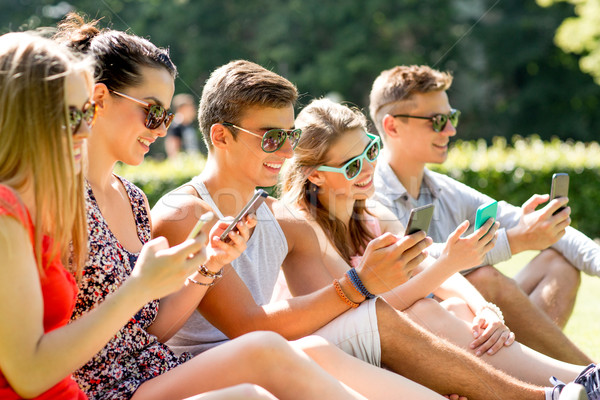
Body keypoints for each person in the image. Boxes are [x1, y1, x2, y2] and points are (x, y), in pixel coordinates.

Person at [152, 59, 595, 400]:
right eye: (272, 139)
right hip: (208, 366)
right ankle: (552, 392)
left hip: (273, 350)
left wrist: (372, 288)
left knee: (406, 310)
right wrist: (362, 284)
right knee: (389, 313)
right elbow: (247, 325)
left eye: (289, 137)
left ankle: (568, 385)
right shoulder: (186, 212)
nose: (285, 151)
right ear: (221, 136)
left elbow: (341, 310)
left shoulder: (282, 218)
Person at [53, 13, 379, 400]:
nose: (161, 130)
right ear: (101, 99)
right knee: (265, 356)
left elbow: (149, 332)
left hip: (152, 372)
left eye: (167, 116)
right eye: (153, 112)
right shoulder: (57, 201)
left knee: (305, 352)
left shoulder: (133, 198)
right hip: (100, 388)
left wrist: (209, 265)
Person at [280, 96, 598, 388]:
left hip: (389, 337)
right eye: (352, 166)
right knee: (426, 310)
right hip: (339, 352)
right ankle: (578, 381)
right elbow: (374, 311)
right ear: (316, 175)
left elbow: (424, 269)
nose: (368, 168)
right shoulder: (308, 228)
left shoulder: (373, 212)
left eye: (371, 150)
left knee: (458, 306)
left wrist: (486, 310)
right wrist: (449, 263)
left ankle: (568, 383)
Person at [0, 31, 210, 400]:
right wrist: (140, 287)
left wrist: (206, 267)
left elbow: (141, 329)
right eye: (72, 115)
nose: (85, 128)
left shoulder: (35, 203)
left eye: (86, 114)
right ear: (24, 114)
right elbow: (31, 373)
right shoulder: (16, 209)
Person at [368, 64, 599, 365]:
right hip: (416, 332)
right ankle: (588, 375)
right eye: (437, 121)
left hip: (475, 325)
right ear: (392, 126)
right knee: (485, 280)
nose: (450, 130)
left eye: (451, 118)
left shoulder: (445, 189)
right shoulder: (368, 193)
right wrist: (514, 242)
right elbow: (415, 261)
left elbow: (530, 222)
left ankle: (535, 374)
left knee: (559, 263)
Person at [165, 93, 207, 158]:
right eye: (190, 108)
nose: (193, 111)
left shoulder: (188, 125)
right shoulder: (176, 126)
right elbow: (173, 149)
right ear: (181, 109)